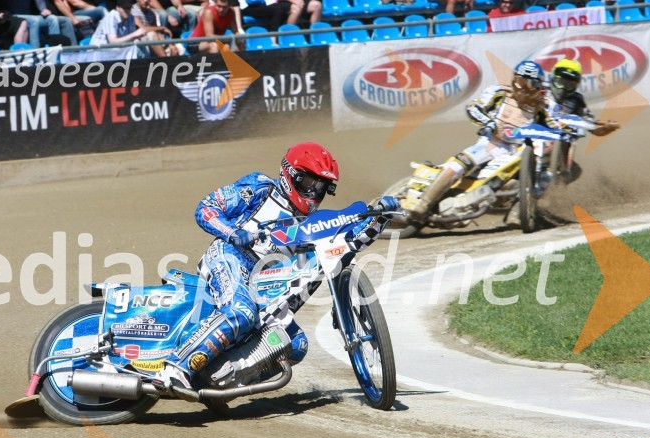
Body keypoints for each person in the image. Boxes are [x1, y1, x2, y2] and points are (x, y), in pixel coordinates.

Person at [154, 142, 399, 397]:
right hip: (231, 257)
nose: (313, 193)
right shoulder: (260, 187)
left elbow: (352, 243)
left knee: (295, 345)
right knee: (241, 311)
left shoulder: (318, 222)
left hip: (266, 283)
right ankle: (174, 369)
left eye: (321, 188)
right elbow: (205, 209)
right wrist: (233, 232)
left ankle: (218, 379)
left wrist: (382, 217)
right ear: (289, 174)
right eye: (308, 184)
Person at [401, 60, 563, 224]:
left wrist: (565, 130)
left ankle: (518, 213)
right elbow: (473, 108)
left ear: (537, 85)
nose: (523, 86)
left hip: (517, 150)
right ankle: (423, 204)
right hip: (491, 142)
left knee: (541, 176)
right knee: (456, 165)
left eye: (529, 83)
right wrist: (488, 121)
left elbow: (557, 126)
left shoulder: (546, 104)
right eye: (520, 80)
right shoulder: (499, 92)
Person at [545, 58, 619, 137]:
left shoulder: (577, 101)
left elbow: (595, 130)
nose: (563, 88)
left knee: (571, 134)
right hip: (534, 132)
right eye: (560, 82)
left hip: (559, 139)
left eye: (570, 85)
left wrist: (607, 129)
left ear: (576, 85)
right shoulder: (540, 89)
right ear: (553, 78)